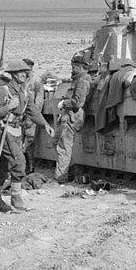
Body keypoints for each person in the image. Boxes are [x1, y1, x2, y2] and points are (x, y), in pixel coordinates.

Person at [0, 59, 54, 213]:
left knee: (2, 166)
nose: (24, 74)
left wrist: (44, 124)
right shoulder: (3, 91)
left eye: (25, 72)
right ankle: (16, 197)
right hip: (4, 133)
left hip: (16, 132)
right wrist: (8, 107)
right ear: (13, 75)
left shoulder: (24, 92)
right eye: (20, 72)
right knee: (19, 162)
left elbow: (32, 110)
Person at [54, 54, 92, 184]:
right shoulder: (79, 80)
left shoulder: (83, 81)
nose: (72, 69)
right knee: (60, 145)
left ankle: (61, 177)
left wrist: (64, 103)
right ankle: (68, 172)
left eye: (74, 67)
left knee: (64, 147)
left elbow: (78, 102)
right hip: (68, 117)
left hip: (73, 118)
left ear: (81, 67)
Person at [23, 58, 45, 174]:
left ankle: (30, 167)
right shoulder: (20, 81)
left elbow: (39, 101)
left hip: (30, 117)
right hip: (20, 117)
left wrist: (33, 117)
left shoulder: (36, 81)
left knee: (30, 142)